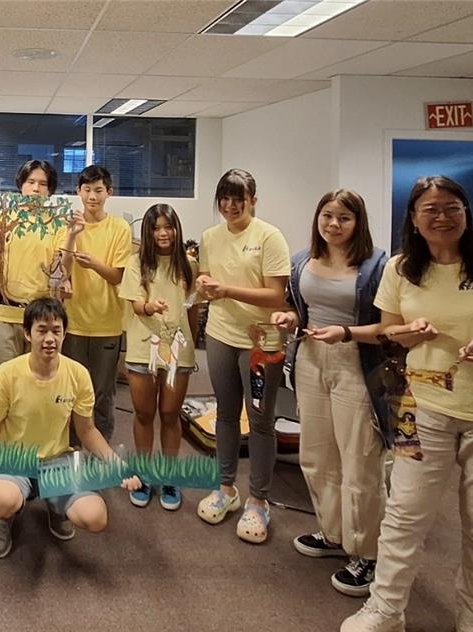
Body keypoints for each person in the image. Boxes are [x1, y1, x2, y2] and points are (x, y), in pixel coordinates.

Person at [342, 176, 473, 632]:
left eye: (451, 208)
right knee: (405, 513)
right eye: (430, 209)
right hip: (421, 407)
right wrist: (407, 334)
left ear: (466, 214)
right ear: (414, 218)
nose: (442, 217)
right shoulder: (402, 269)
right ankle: (385, 610)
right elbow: (389, 331)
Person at [0, 298, 141, 558]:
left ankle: (57, 504)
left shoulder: (78, 374)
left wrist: (116, 464)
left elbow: (88, 431)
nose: (49, 338)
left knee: (95, 518)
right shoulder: (7, 373)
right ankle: (5, 518)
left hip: (58, 460)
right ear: (27, 333)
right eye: (41, 330)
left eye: (56, 331)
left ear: (64, 334)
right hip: (11, 459)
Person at [271, 189, 390, 597]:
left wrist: (345, 332)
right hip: (310, 359)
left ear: (359, 222)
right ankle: (333, 533)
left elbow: (388, 328)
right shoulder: (303, 259)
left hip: (356, 361)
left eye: (344, 218)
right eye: (327, 216)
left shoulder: (377, 264)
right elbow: (298, 309)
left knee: (359, 459)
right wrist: (289, 318)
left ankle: (368, 552)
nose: (334, 225)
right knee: (317, 454)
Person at [194, 168, 290, 544]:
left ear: (253, 200)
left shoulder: (269, 236)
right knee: (226, 413)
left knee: (261, 421)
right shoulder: (209, 237)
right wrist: (204, 286)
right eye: (225, 199)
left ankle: (259, 500)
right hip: (220, 335)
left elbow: (276, 296)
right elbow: (206, 280)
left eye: (239, 199)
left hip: (260, 342)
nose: (231, 206)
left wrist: (227, 290)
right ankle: (227, 489)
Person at [118, 204, 198, 511]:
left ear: (177, 229)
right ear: (148, 232)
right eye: (156, 228)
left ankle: (168, 476)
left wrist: (191, 350)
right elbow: (137, 305)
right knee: (143, 413)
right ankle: (143, 473)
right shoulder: (136, 262)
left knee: (169, 414)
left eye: (168, 226)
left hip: (179, 350)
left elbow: (193, 308)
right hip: (142, 346)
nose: (163, 233)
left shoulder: (189, 264)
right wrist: (150, 307)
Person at [0, 160, 64, 404]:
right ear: (21, 185)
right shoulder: (2, 217)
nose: (36, 189)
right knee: (1, 379)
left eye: (43, 184)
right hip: (6, 313)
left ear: (50, 190)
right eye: (31, 182)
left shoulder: (57, 222)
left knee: (38, 381)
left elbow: (60, 271)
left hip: (41, 316)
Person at [60, 165, 132, 441]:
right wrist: (72, 234)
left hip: (107, 323)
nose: (93, 196)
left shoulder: (119, 228)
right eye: (87, 190)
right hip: (74, 322)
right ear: (78, 192)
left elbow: (118, 277)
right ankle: (72, 448)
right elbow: (61, 271)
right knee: (72, 390)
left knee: (102, 392)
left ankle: (101, 453)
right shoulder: (69, 224)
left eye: (98, 190)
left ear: (109, 193)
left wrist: (94, 264)